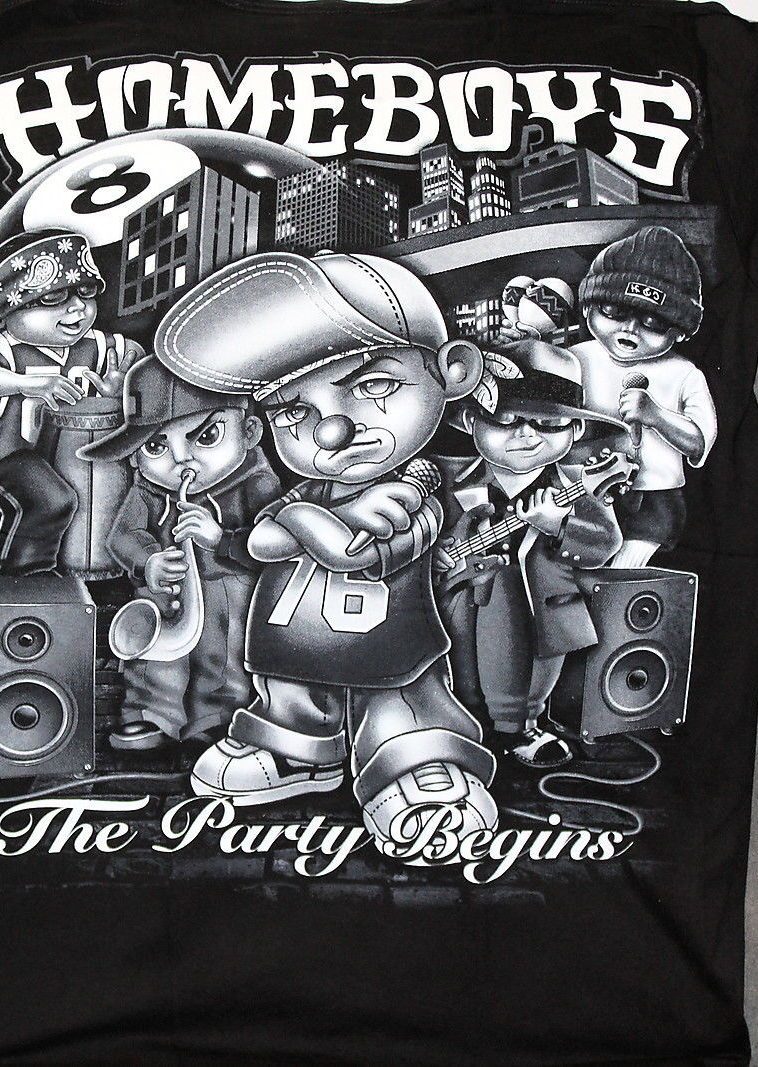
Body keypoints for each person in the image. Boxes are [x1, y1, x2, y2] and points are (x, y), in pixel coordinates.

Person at [156, 249, 500, 863]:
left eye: (372, 386)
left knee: (399, 708)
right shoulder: (307, 494)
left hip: (388, 655)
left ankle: (415, 765)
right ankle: (298, 750)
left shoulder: (414, 493)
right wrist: (251, 531)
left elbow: (349, 553)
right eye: (294, 411)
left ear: (452, 371)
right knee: (288, 695)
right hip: (290, 650)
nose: (330, 430)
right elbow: (262, 544)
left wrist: (297, 523)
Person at [438, 339, 625, 769]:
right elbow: (427, 531)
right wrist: (438, 554)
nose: (526, 435)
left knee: (530, 675)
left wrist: (559, 525)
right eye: (505, 420)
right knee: (458, 666)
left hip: (542, 607)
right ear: (470, 421)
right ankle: (461, 725)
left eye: (548, 423)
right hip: (459, 604)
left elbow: (605, 542)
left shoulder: (577, 486)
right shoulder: (449, 480)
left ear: (575, 431)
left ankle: (521, 729)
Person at [78, 358, 282, 750]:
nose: (180, 460)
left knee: (225, 654)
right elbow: (122, 536)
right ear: (134, 456)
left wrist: (220, 538)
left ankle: (217, 717)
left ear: (250, 432)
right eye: (156, 447)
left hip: (231, 591)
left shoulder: (257, 483)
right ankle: (150, 714)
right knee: (154, 657)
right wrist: (148, 561)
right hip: (166, 591)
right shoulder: (148, 490)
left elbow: (273, 543)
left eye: (206, 436)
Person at [0, 228, 143, 575]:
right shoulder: (2, 350)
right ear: (5, 312)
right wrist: (26, 384)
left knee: (68, 496)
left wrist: (122, 385)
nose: (77, 307)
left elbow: (137, 357)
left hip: (56, 459)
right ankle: (23, 578)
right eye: (54, 297)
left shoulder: (95, 345)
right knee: (52, 501)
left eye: (86, 291)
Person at [570, 225, 717, 567]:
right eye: (614, 311)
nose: (630, 329)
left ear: (679, 332)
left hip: (652, 503)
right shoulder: (574, 359)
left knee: (620, 578)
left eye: (652, 321)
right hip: (583, 495)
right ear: (588, 307)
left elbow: (700, 443)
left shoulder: (684, 373)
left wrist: (656, 417)